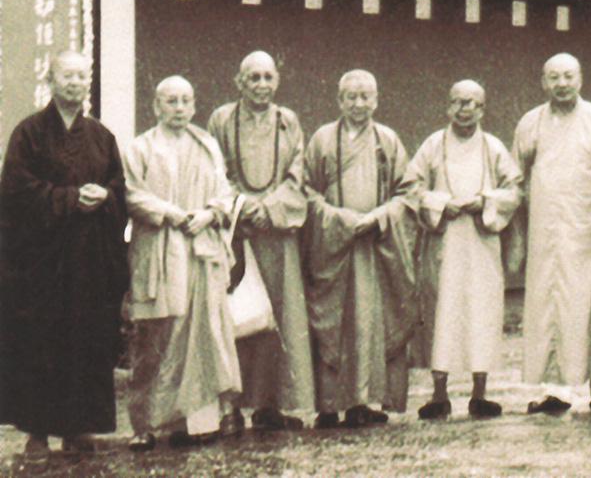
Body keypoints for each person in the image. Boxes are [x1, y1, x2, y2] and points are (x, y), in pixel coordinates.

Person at [0, 51, 128, 458]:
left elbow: (119, 186)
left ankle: (79, 428)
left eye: (81, 76)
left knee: (86, 341)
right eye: (67, 76)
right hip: (42, 263)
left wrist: (105, 196)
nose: (76, 82)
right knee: (40, 342)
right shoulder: (29, 133)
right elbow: (16, 190)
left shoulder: (101, 136)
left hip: (89, 261)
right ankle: (37, 433)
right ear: (51, 80)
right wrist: (71, 198)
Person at [124, 76, 242, 450]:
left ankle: (197, 423)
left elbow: (224, 191)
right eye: (171, 101)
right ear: (156, 106)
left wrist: (209, 214)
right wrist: (172, 214)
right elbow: (131, 194)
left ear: (193, 105)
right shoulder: (141, 147)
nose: (179, 108)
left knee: (205, 333)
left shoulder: (207, 144)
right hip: (161, 248)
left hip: (200, 250)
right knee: (157, 337)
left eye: (185, 100)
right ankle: (145, 425)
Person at [207, 51, 313, 430]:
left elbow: (298, 173)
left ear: (277, 81)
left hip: (276, 231)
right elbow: (215, 170)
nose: (262, 85)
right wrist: (242, 206)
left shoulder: (288, 121)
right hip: (237, 231)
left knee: (277, 319)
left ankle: (270, 406)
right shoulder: (221, 119)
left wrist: (269, 208)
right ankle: (231, 407)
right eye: (254, 77)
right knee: (235, 316)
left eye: (268, 77)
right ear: (240, 81)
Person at [405, 80, 522, 420]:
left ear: (482, 109)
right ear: (448, 107)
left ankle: (479, 393)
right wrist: (440, 203)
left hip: (481, 242)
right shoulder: (433, 145)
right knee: (442, 311)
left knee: (481, 312)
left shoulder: (493, 147)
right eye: (457, 102)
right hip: (444, 243)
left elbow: (514, 189)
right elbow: (410, 186)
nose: (464, 109)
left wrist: (486, 202)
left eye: (471, 102)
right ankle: (439, 393)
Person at [302, 70, 413, 429]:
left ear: (376, 100)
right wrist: (339, 220)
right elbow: (307, 192)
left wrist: (379, 218)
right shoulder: (322, 139)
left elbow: (407, 193)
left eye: (366, 96)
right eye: (351, 96)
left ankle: (361, 401)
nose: (359, 103)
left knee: (367, 323)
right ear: (339, 100)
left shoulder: (388, 140)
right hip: (332, 247)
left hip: (374, 247)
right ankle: (328, 405)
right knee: (331, 322)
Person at [512, 53, 591, 415]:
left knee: (590, 307)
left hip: (587, 232)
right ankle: (552, 390)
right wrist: (520, 232)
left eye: (568, 76)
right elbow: (515, 178)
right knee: (546, 309)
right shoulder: (531, 122)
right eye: (554, 77)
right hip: (543, 232)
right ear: (543, 82)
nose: (561, 84)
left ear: (580, 79)